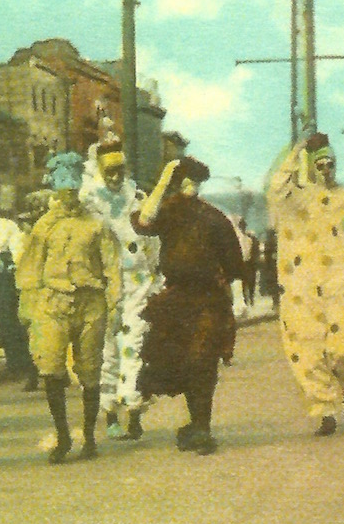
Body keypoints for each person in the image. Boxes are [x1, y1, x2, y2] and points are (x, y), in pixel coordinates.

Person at [131, 156, 242, 456]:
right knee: (185, 362)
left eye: (192, 184)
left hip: (206, 299)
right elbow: (144, 220)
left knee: (202, 361)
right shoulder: (173, 213)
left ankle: (201, 428)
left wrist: (224, 283)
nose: (189, 190)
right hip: (178, 300)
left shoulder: (210, 217)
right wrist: (164, 179)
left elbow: (234, 262)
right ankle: (197, 426)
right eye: (184, 183)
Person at [16, 152, 121, 464]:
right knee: (51, 369)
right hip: (52, 304)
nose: (69, 198)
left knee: (90, 371)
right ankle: (62, 436)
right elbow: (29, 270)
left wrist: (114, 303)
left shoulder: (96, 226)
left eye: (73, 191)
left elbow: (112, 267)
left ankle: (89, 436)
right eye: (63, 192)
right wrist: (27, 307)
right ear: (55, 193)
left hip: (90, 304)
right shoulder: (43, 228)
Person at [265, 132, 344, 436]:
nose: (325, 170)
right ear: (309, 167)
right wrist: (295, 150)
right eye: (319, 164)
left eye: (330, 164)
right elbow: (275, 187)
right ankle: (324, 410)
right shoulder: (293, 199)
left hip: (341, 285)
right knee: (307, 351)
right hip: (301, 289)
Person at [78, 138, 161, 441]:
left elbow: (152, 239)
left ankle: (135, 412)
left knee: (135, 343)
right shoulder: (88, 200)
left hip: (137, 280)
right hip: (106, 282)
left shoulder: (136, 196)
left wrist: (154, 273)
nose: (115, 177)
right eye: (109, 172)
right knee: (108, 348)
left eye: (119, 171)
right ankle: (110, 412)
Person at [0, 201, 38, 390]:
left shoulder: (6, 225)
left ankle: (19, 364)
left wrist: (10, 267)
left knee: (7, 318)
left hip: (2, 273)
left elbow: (16, 251)